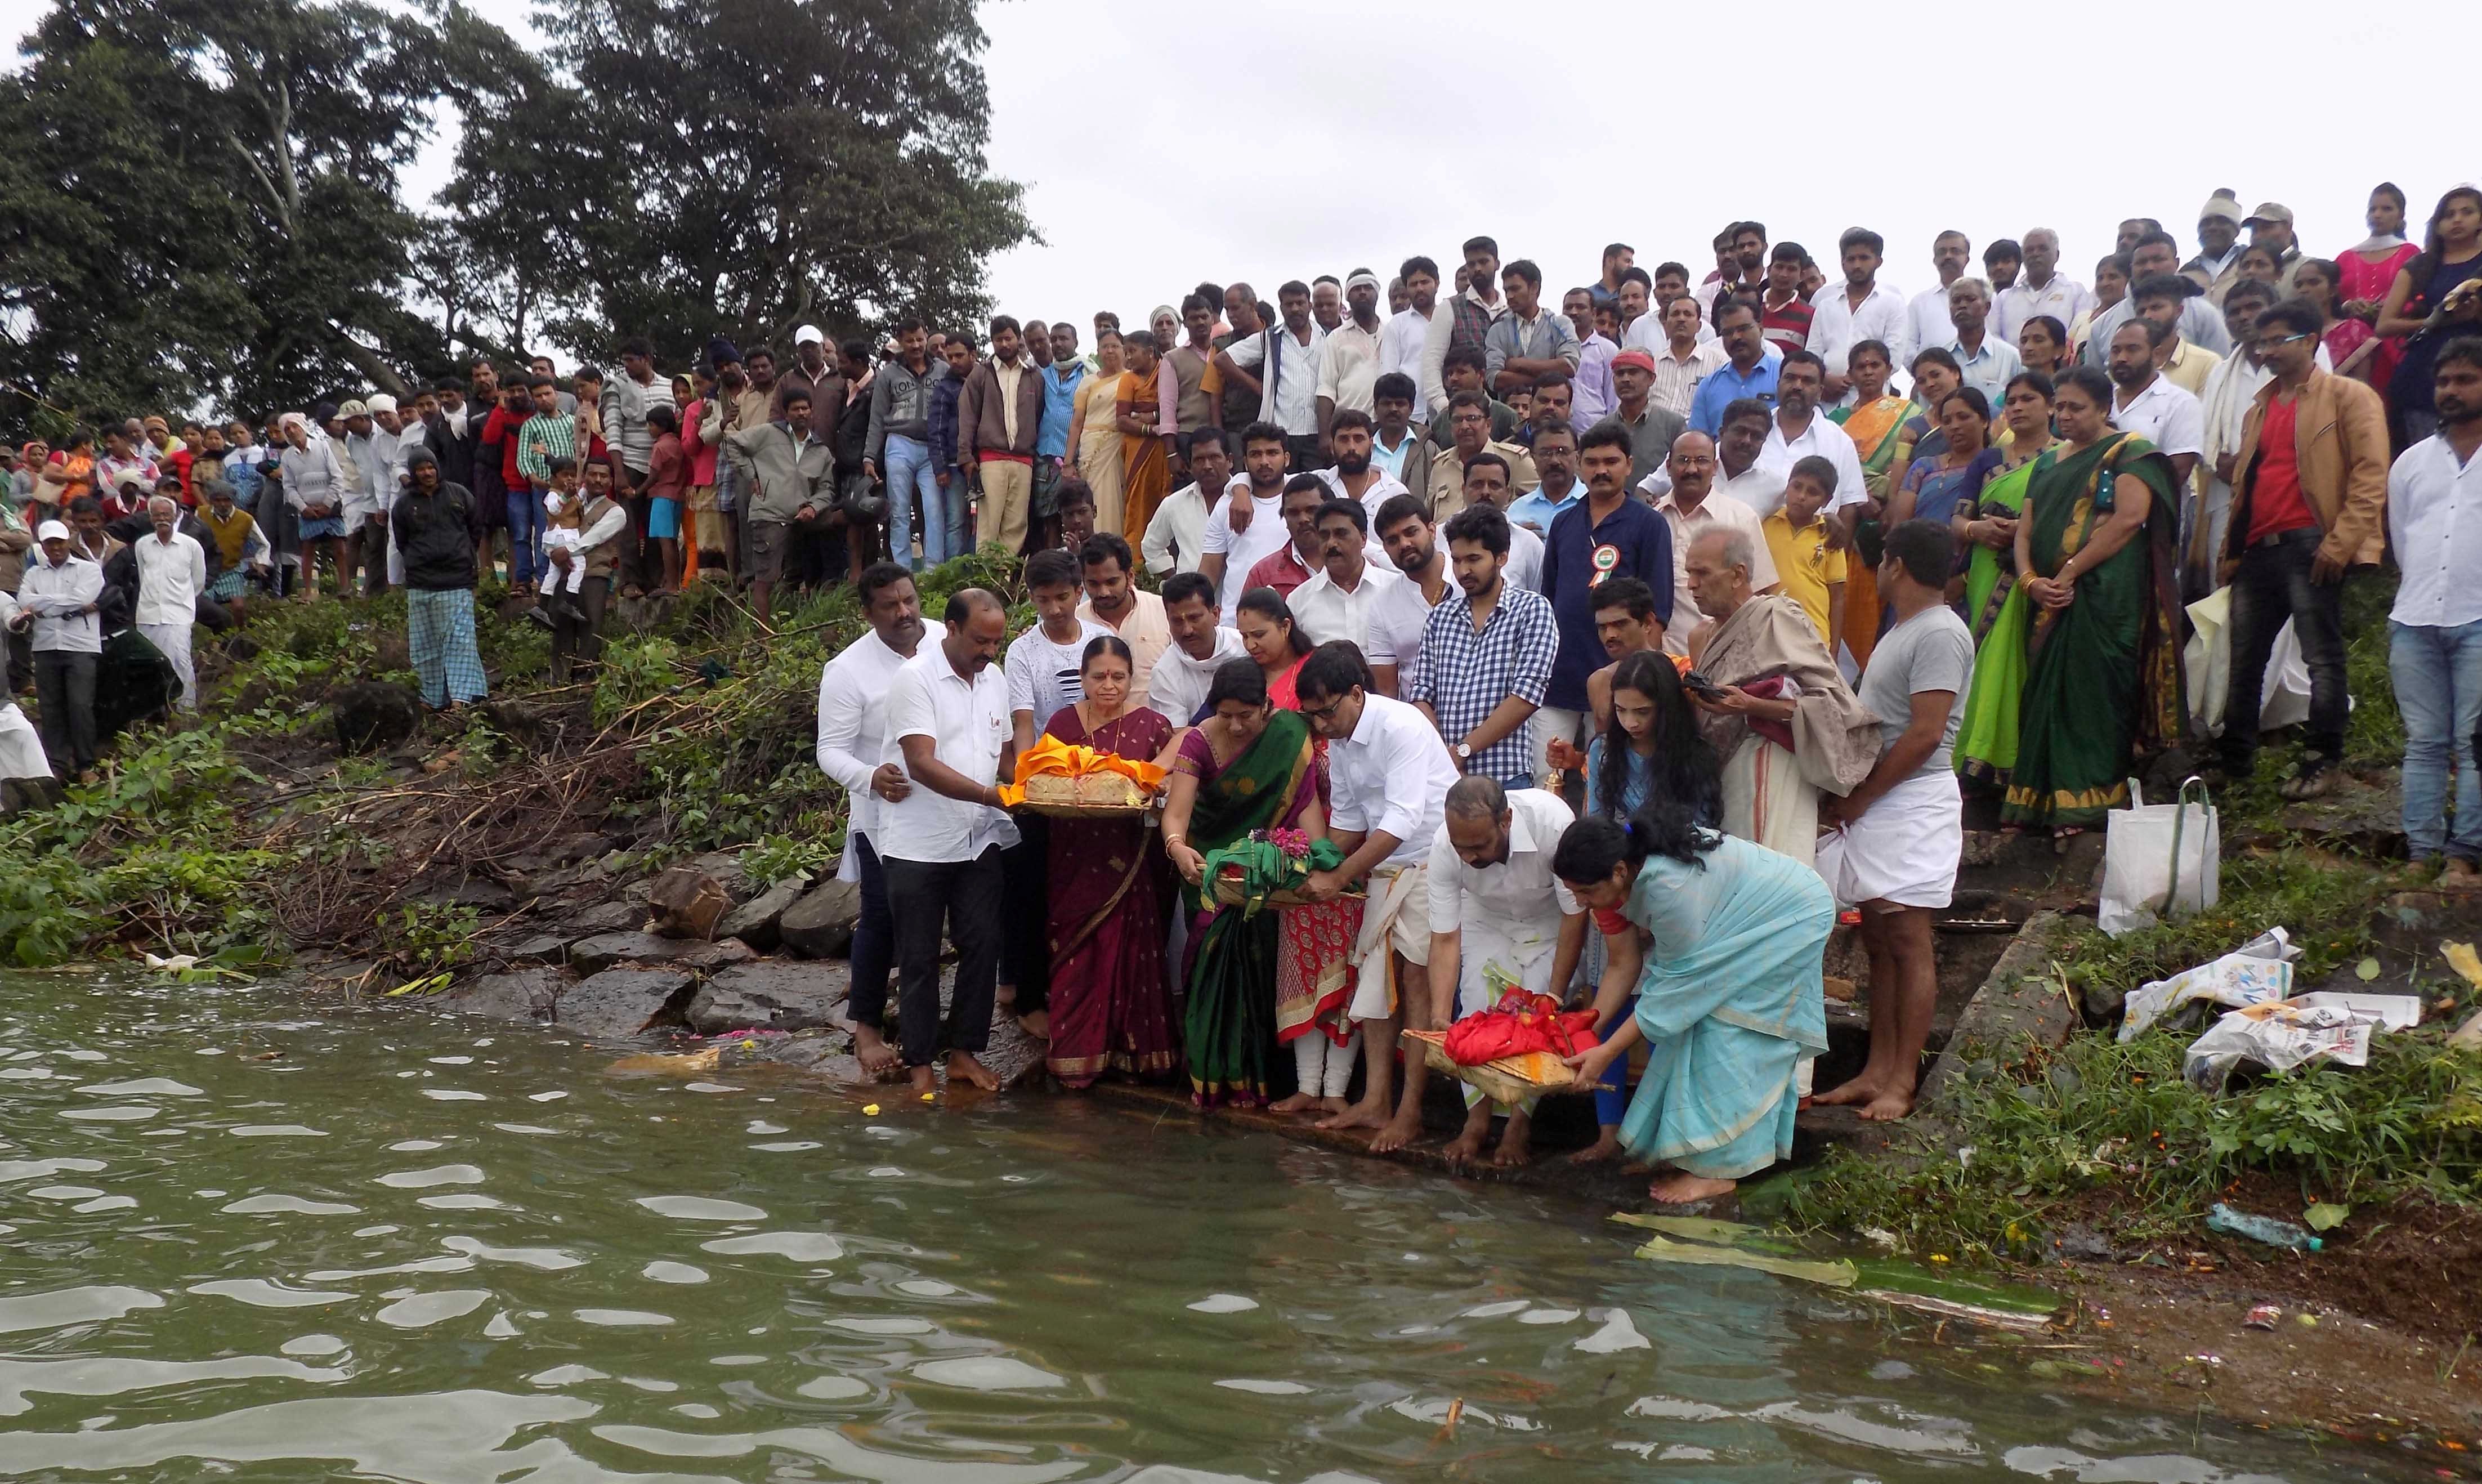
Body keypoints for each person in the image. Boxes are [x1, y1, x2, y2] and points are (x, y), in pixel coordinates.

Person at [1556, 806, 1831, 1205]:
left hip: (1793, 916)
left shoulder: (1668, 889)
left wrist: (1606, 1052)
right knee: (1693, 1022)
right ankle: (1680, 1153)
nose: (1581, 903)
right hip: (1762, 912)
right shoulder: (1633, 870)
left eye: (1585, 892)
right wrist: (1589, 1035)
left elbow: (1672, 992)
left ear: (1618, 871)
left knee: (1733, 1028)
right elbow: (1643, 977)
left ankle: (1718, 1172)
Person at [1814, 520, 1973, 1123]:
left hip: (1912, 798)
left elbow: (1926, 732)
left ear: (1896, 564)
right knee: (1879, 941)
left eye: (1878, 561)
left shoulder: (1939, 631)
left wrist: (1861, 797)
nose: (1873, 571)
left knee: (1908, 940)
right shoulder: (1902, 629)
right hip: (1881, 797)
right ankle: (1873, 1070)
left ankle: (1901, 1080)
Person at [2001, 366, 2185, 835]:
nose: (2064, 415)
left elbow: (2129, 520)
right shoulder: (2045, 463)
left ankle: (2088, 803)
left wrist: (2067, 573)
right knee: (2045, 695)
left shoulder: (2130, 451)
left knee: (2093, 694)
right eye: (2059, 406)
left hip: (2106, 598)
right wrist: (2029, 581)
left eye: (2075, 407)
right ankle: (2037, 804)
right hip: (2046, 597)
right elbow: (2025, 530)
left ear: (2104, 409)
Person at [2217, 300, 2390, 800]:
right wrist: (2231, 550)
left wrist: (2340, 543)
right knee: (2245, 659)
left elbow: (2369, 474)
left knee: (2322, 657)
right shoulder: (2259, 406)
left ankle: (2323, 759)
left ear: (2310, 340)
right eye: (2262, 342)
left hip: (2311, 540)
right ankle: (2235, 764)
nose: (2268, 350)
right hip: (2258, 547)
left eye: (2279, 340)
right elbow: (2245, 485)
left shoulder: (2347, 396)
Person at [1292, 641, 1460, 1151]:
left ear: (1356, 694)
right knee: (1376, 977)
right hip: (1388, 866)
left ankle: (1410, 1111)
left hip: (1437, 858)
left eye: (1327, 711)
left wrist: (1338, 876)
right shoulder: (1338, 740)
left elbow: (1403, 820)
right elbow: (1347, 823)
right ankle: (1376, 1100)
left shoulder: (1401, 725)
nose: (1321, 726)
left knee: (1414, 981)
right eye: (1312, 716)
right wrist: (1302, 869)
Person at [1159, 659, 1329, 1108]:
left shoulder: (1289, 736)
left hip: (1269, 879)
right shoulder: (1197, 742)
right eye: (1225, 715)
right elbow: (1176, 813)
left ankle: (1258, 1081)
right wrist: (1177, 848)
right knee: (1212, 975)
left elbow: (1307, 811)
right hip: (1207, 875)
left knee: (1259, 974)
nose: (1234, 726)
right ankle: (1212, 1078)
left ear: (1267, 707)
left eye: (1246, 716)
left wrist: (1320, 863)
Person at [879, 588, 1018, 1096]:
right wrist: (993, 795)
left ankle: (963, 1054)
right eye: (981, 640)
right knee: (918, 956)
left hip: (979, 837)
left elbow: (1004, 755)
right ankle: (918, 1063)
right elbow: (920, 761)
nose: (989, 651)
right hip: (918, 842)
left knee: (983, 944)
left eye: (997, 642)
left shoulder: (994, 678)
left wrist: (1039, 785)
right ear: (952, 629)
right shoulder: (914, 679)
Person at [1681, 526, 1879, 863]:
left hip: (1773, 762)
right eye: (1688, 574)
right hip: (1722, 774)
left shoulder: (1778, 617)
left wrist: (1751, 705)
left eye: (1702, 573)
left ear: (1737, 575)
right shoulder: (1701, 636)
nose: (1691, 585)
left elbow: (1831, 702)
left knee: (1774, 872)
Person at [1423, 776, 1587, 1168]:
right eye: (1461, 848)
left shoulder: (1552, 824)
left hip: (1551, 924)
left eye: (1479, 846)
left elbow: (1574, 915)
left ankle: (1518, 1125)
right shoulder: (1445, 846)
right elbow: (1444, 938)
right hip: (1486, 919)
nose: (1469, 858)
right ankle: (1475, 1122)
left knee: (1531, 1021)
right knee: (1474, 1015)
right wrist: (1439, 1016)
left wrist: (1554, 996)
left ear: (1506, 820)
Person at [1038, 636, 1178, 1087]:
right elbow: (1043, 781)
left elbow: (1167, 784)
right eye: (1098, 676)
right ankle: (1078, 1056)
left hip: (1132, 857)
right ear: (1081, 678)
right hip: (1072, 856)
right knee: (1076, 950)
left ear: (1132, 679)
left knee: (1131, 949)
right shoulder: (1062, 724)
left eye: (1118, 677)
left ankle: (1133, 1053)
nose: (1108, 686)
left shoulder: (1154, 726)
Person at [815, 561, 924, 1079]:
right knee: (881, 918)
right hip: (882, 816)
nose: (904, 613)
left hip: (953, 811)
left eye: (909, 599)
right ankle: (866, 1026)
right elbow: (830, 752)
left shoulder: (947, 642)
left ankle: (931, 1025)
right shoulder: (848, 670)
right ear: (867, 613)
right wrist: (869, 777)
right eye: (890, 606)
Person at [2385, 338, 2482, 888]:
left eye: (2465, 379)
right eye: (2443, 381)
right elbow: (2403, 538)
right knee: (2422, 742)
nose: (2450, 390)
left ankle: (2463, 855)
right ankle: (2420, 852)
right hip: (2415, 618)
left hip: (2477, 616)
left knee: (2474, 741)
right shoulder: (2411, 462)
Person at [1537, 419, 1672, 771]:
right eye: (1593, 462)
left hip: (1619, 676)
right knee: (1546, 771)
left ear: (1629, 465)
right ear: (1580, 465)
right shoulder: (1564, 523)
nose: (1601, 471)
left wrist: (1643, 678)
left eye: (1611, 462)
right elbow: (1549, 597)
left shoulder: (1649, 523)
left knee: (1608, 773)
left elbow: (1656, 610)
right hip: (1561, 674)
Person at [1953, 372, 2058, 795]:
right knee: (1988, 660)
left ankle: (2024, 767)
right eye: (2010, 400)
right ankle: (1978, 762)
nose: (2015, 407)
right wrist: (1977, 529)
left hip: (2040, 572)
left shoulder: (2063, 457)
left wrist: (2025, 531)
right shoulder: (1986, 460)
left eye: (2027, 399)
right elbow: (1957, 520)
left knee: (2030, 661)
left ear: (2050, 405)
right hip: (1986, 569)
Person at [1410, 505, 1558, 789]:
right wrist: (1444, 757)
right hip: (1445, 776)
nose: (1464, 570)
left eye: (1474, 559)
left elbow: (1526, 697)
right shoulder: (1440, 616)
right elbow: (1421, 694)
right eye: (1457, 560)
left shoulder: (1532, 609)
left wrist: (1463, 750)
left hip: (1505, 774)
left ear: (1501, 557)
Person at [1652, 428, 1778, 647]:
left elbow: (1761, 592)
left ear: (1715, 467)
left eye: (1702, 461)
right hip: (1657, 660)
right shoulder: (1652, 520)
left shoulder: (1740, 518)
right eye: (1683, 460)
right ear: (1669, 467)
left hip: (1716, 656)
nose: (1692, 469)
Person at [2378, 187, 2482, 443]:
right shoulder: (2421, 265)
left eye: (2467, 212)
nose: (2457, 219)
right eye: (2449, 214)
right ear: (2437, 224)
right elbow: (2384, 325)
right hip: (2425, 373)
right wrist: (2435, 321)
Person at [722, 385, 833, 625]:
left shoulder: (821, 450)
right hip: (769, 513)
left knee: (799, 574)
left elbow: (827, 489)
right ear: (786, 413)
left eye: (805, 408)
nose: (801, 413)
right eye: (795, 409)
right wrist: (751, 475)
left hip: (802, 517)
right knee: (766, 578)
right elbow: (731, 442)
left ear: (812, 412)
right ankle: (764, 637)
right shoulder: (768, 433)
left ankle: (795, 626)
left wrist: (814, 507)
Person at [392, 447, 485, 713]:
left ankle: (463, 698)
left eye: (430, 467)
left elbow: (475, 528)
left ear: (437, 468)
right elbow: (402, 542)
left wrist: (464, 556)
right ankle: (431, 699)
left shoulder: (458, 494)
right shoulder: (404, 504)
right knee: (425, 645)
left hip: (456, 580)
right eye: (420, 468)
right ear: (413, 473)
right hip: (421, 583)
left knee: (459, 640)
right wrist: (416, 560)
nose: (427, 472)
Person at [19, 520, 101, 781]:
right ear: (42, 546)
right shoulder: (34, 574)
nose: (55, 547)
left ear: (68, 542)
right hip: (45, 646)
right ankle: (58, 765)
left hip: (80, 645)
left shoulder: (89, 570)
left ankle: (86, 764)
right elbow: (25, 601)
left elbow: (84, 598)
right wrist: (68, 604)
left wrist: (44, 606)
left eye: (59, 542)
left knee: (80, 705)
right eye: (49, 543)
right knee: (50, 707)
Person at [956, 316, 1046, 556]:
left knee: (1016, 526)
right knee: (988, 524)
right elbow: (967, 416)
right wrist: (965, 456)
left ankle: (1003, 582)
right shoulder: (981, 374)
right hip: (991, 458)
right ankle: (984, 584)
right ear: (992, 342)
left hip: (1024, 460)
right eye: (999, 340)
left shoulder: (1034, 376)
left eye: (1009, 338)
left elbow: (1037, 414)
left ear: (1019, 339)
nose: (1005, 344)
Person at [863, 321, 948, 572]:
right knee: (899, 509)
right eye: (910, 340)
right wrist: (869, 456)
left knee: (933, 509)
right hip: (899, 443)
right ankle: (902, 569)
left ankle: (934, 570)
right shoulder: (889, 373)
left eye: (920, 339)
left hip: (933, 447)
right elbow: (877, 418)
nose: (916, 345)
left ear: (926, 338)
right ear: (900, 341)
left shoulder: (942, 370)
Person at [2338, 182, 2422, 403]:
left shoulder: (2411, 253)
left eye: (2386, 209)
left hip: (2396, 346)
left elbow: (2422, 297)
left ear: (2401, 215)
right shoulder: (2345, 257)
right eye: (2373, 209)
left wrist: (2391, 309)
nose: (2377, 215)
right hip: (2348, 349)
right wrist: (2348, 307)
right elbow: (2330, 300)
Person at [1288, 497, 1404, 654]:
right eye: (1324, 536)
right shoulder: (1298, 601)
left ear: (1363, 539)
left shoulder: (1396, 589)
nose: (1331, 544)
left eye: (1341, 534)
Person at [2105, 318, 2206, 494]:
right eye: (2116, 351)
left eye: (2132, 349)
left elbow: (2178, 472)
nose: (2121, 358)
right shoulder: (2100, 399)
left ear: (2156, 355)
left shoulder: (2181, 403)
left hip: (2154, 512)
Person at [1146, 570, 1247, 737]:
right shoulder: (1164, 673)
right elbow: (1179, 739)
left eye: (1194, 618)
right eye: (1177, 621)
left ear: (1215, 614)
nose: (1187, 630)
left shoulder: (1244, 647)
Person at [1889, 388, 2001, 534]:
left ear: (1985, 421)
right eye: (1947, 421)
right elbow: (1900, 528)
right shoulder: (1923, 468)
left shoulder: (1998, 466)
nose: (1954, 426)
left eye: (1963, 417)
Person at [1077, 532, 1168, 711]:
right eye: (1094, 584)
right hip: (1096, 732)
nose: (1104, 592)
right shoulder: (1076, 623)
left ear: (1131, 577)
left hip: (1162, 730)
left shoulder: (1164, 612)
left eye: (1112, 582)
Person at [130, 496, 205, 710]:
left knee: (181, 662)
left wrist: (183, 601)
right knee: (151, 665)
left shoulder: (191, 546)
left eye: (166, 514)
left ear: (175, 516)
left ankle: (186, 711)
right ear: (151, 517)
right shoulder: (143, 545)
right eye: (157, 515)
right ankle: (155, 713)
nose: (162, 519)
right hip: (148, 614)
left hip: (179, 615)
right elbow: (143, 576)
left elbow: (198, 581)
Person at [1764, 455, 1848, 647]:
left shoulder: (1829, 536)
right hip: (1770, 631)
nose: (1801, 496)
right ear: (1788, 485)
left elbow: (1837, 597)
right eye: (1797, 486)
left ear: (1827, 500)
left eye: (1813, 492)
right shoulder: (1767, 525)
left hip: (1813, 636)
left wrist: (1834, 651)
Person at [1114, 330, 1179, 544]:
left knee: (1167, 497)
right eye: (1126, 352)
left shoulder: (1167, 369)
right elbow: (1122, 420)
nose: (1128, 358)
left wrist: (1154, 416)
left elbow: (1176, 405)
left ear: (1150, 352)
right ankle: (1137, 558)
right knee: (1138, 503)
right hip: (1139, 448)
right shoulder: (1128, 380)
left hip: (1167, 446)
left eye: (1132, 352)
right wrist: (1151, 429)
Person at [278, 413, 348, 601]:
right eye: (287, 429)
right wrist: (304, 508)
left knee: (340, 548)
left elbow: (337, 477)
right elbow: (289, 487)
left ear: (303, 427)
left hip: (331, 508)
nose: (292, 431)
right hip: (307, 511)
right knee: (307, 550)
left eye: (295, 427)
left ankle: (345, 589)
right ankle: (309, 594)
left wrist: (327, 504)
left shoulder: (323, 447)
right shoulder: (287, 457)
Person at [1688, 300, 1780, 437]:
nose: (1736, 337)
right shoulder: (1708, 387)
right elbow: (1697, 439)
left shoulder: (1783, 375)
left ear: (1760, 329)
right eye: (1728, 332)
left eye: (1743, 329)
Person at [1142, 424, 1223, 577]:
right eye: (1199, 460)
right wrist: (1177, 581)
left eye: (1214, 458)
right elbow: (1151, 546)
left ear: (1230, 461)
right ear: (1190, 466)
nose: (1207, 466)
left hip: (1240, 597)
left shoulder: (1245, 499)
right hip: (1192, 598)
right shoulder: (1174, 503)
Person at [1994, 227, 2094, 344]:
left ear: (2057, 255)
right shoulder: (2004, 297)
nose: (2035, 254)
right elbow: (1993, 337)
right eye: (2029, 250)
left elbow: (2082, 333)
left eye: (2043, 249)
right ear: (2023, 258)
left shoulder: (2075, 292)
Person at [196, 480, 271, 625]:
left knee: (239, 606)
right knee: (202, 607)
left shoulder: (245, 519)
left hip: (232, 571)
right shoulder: (201, 514)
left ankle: (239, 636)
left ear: (233, 500)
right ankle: (213, 637)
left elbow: (264, 544)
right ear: (211, 501)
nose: (223, 504)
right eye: (218, 500)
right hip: (207, 571)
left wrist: (261, 563)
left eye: (227, 500)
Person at [641, 403, 686, 595]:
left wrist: (637, 491)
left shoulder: (660, 447)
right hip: (678, 496)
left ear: (661, 425)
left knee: (665, 541)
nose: (649, 429)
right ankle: (673, 581)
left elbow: (653, 476)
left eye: (651, 425)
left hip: (662, 497)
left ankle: (671, 586)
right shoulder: (677, 443)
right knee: (673, 541)